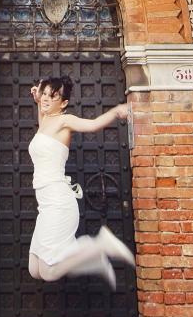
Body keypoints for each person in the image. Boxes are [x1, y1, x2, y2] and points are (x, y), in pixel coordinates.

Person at [27, 76, 135, 288]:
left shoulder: (64, 121)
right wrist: (39, 101)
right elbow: (44, 118)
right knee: (35, 269)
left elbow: (93, 125)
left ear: (64, 103)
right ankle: (95, 261)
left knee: (48, 272)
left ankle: (101, 244)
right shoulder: (46, 121)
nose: (46, 98)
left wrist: (115, 112)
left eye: (53, 96)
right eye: (45, 93)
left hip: (58, 202)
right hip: (46, 204)